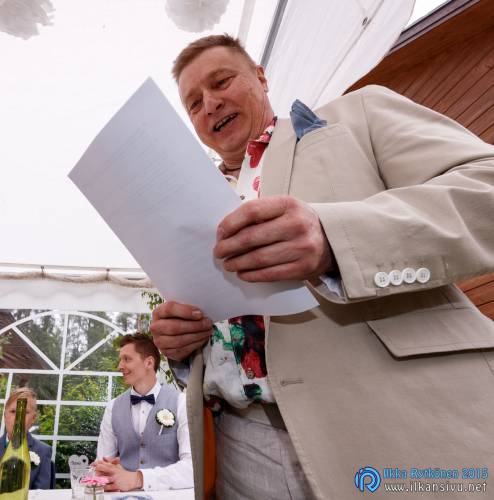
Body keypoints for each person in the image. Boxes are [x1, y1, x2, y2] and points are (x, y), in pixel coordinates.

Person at [150, 34, 494, 499]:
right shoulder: (185, 207)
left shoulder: (358, 114)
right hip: (237, 445)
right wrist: (182, 344)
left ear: (261, 78)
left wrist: (335, 237)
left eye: (221, 81)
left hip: (394, 423)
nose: (209, 104)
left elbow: (486, 189)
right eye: (193, 103)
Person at [93, 333, 192, 492]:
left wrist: (138, 479)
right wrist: (104, 471)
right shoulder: (113, 407)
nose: (120, 366)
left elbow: (192, 468)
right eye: (120, 360)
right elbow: (103, 463)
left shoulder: (181, 402)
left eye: (127, 359)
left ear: (149, 362)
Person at [0, 386, 55, 491]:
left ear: (33, 418)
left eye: (25, 412)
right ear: (5, 415)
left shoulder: (43, 452)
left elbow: (42, 494)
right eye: (13, 411)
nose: (18, 418)